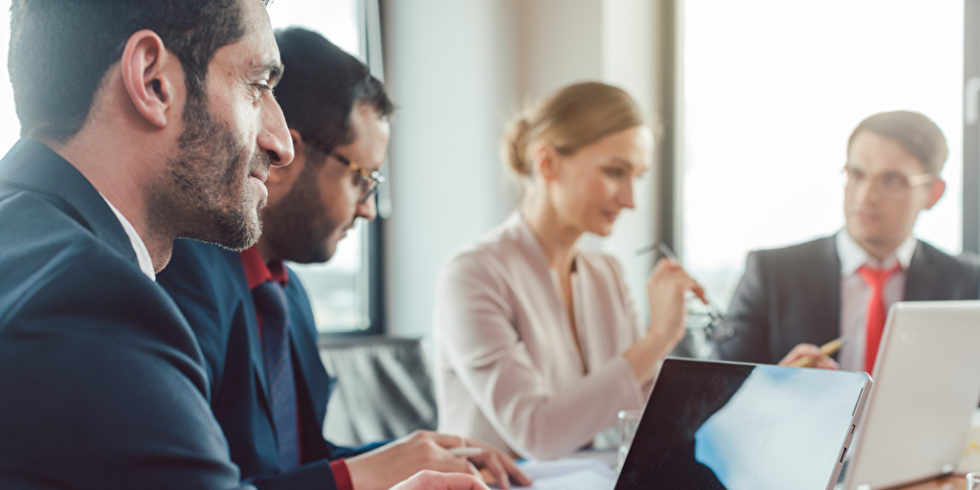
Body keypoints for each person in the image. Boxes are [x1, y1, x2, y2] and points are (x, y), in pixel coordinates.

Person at [0, 3, 486, 489]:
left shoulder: (35, 249)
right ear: (153, 82)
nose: (282, 145)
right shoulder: (90, 301)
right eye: (258, 87)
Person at [158, 28, 530, 490]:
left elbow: (300, 466)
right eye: (362, 179)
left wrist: (422, 456)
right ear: (286, 158)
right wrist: (362, 473)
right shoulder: (180, 279)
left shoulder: (288, 300)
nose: (369, 209)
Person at [432, 81, 707, 461]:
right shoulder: (472, 275)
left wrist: (763, 385)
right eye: (614, 172)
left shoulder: (607, 274)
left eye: (637, 176)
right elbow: (538, 433)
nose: (630, 200)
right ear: (546, 162)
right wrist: (658, 338)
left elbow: (647, 422)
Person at [715, 110, 980, 371]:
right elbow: (718, 394)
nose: (865, 196)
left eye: (890, 181)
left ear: (933, 193)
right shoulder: (772, 274)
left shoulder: (966, 282)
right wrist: (779, 388)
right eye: (856, 176)